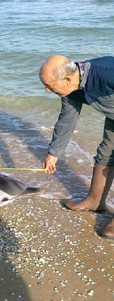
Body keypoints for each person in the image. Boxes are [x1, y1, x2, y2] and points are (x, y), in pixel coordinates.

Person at [39, 54, 114, 240]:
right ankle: (95, 201)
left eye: (49, 85)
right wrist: (53, 153)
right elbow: (67, 120)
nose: (47, 90)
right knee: (106, 152)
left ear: (67, 78)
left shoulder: (107, 74)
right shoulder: (71, 88)